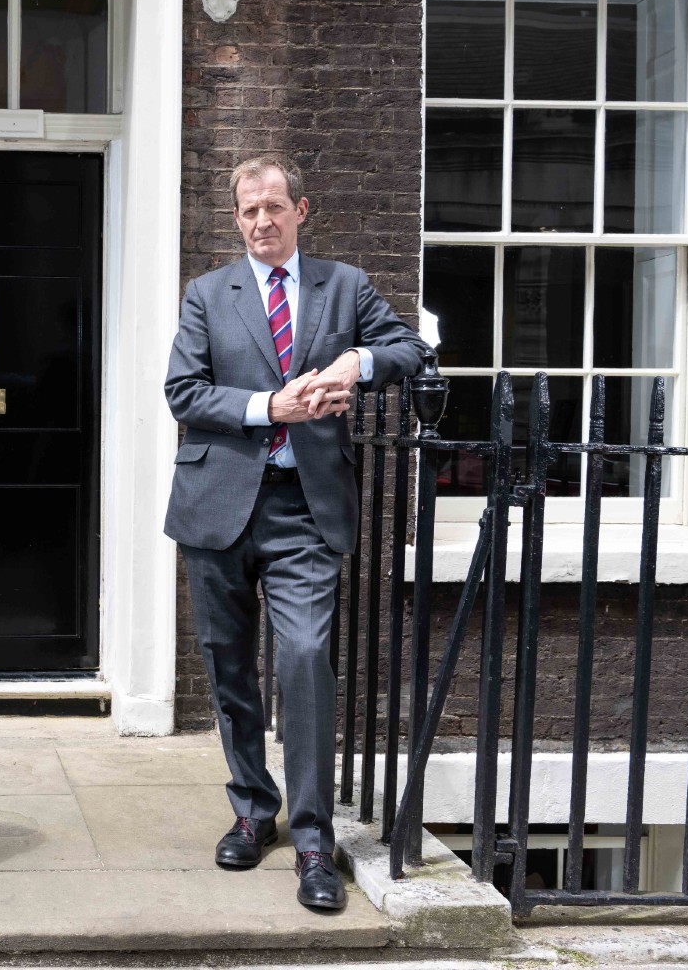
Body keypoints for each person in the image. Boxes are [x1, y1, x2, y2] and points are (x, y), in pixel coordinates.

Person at [163, 156, 423, 911]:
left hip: (305, 509)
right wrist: (268, 408)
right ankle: (253, 808)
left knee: (306, 659)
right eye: (248, 211)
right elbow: (184, 392)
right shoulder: (209, 295)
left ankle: (313, 838)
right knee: (230, 667)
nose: (261, 222)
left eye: (274, 207)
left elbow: (411, 349)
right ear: (236, 217)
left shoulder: (345, 286)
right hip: (218, 506)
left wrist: (357, 360)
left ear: (301, 210)